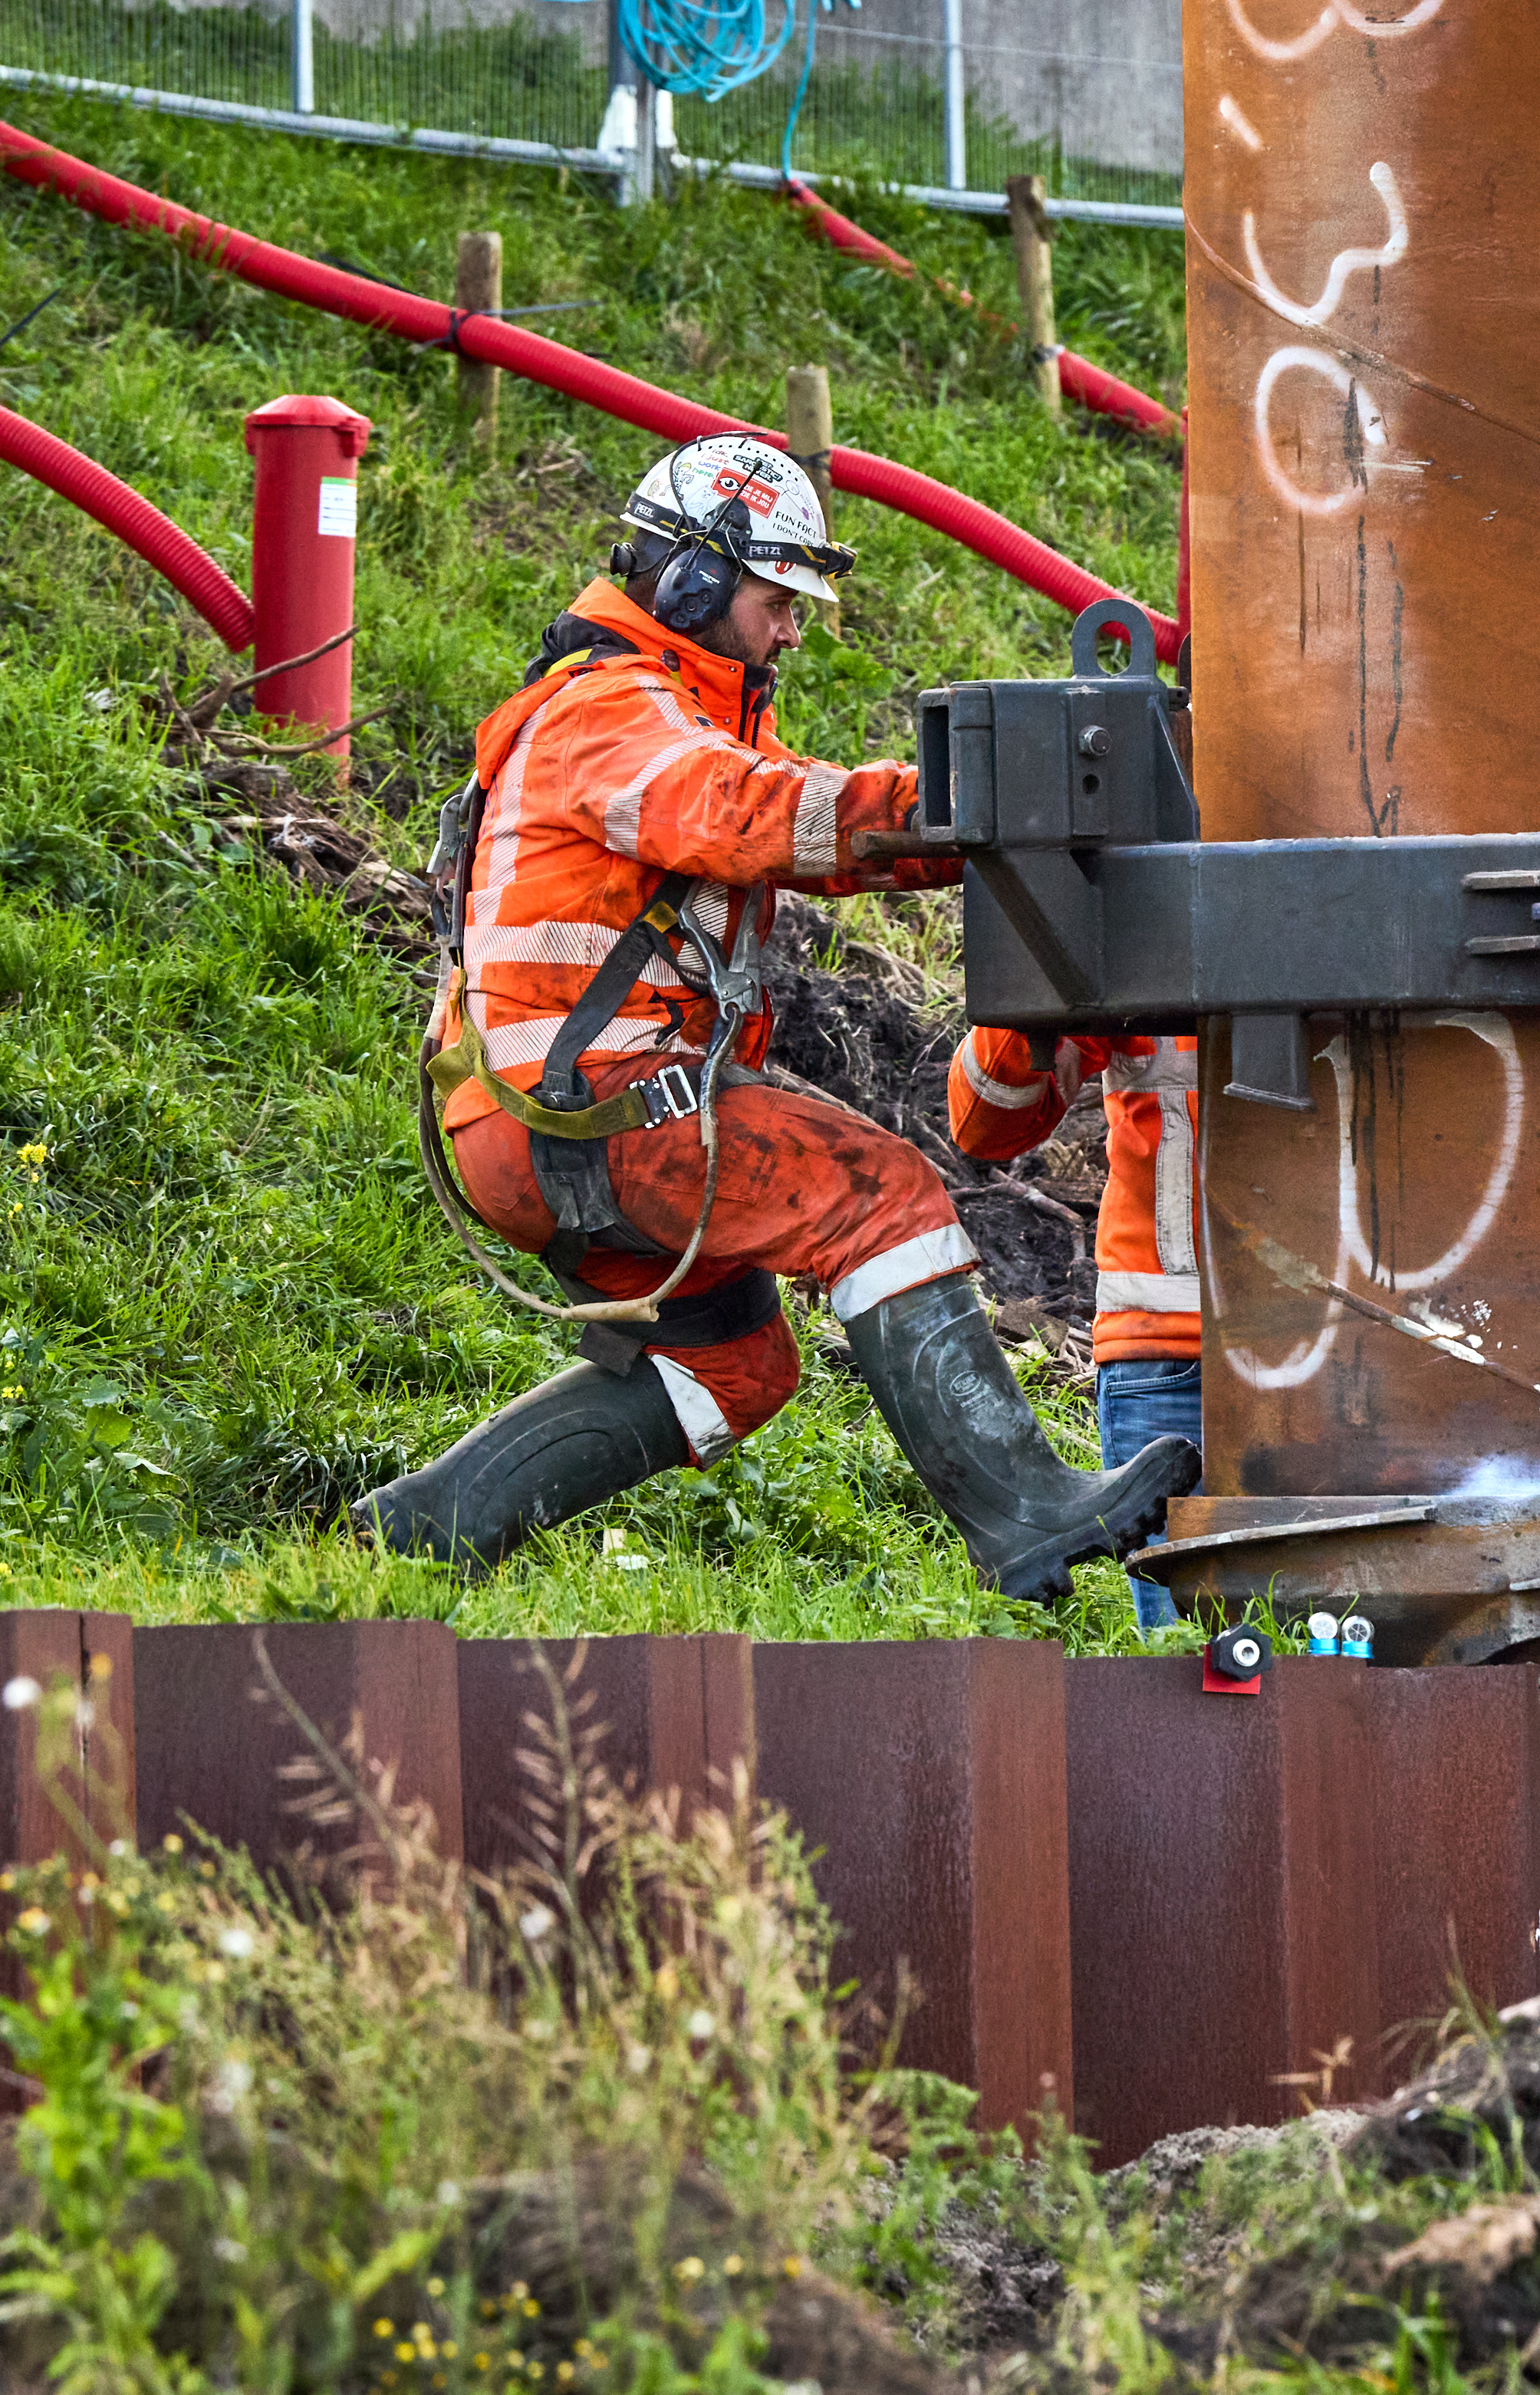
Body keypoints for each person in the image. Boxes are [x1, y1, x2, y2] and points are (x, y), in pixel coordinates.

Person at [359, 433, 1197, 1600]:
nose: (793, 631)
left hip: (532, 1124)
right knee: (884, 1197)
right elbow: (763, 815)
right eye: (775, 601)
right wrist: (981, 804)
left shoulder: (654, 714)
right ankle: (1025, 1510)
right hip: (598, 1110)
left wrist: (962, 832)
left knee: (733, 1365)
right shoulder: (613, 711)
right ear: (694, 581)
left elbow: (787, 811)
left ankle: (420, 1535)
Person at [945, 1025, 1203, 1627]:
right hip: (1173, 1349)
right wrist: (1026, 977)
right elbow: (986, 1122)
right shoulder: (1137, 932)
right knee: (1198, 1688)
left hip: (1379, 1350)